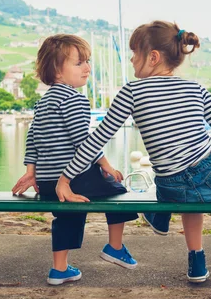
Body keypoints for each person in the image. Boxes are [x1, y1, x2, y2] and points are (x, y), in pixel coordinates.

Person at [56, 21, 211, 283]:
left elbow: (97, 140)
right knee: (207, 158)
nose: (130, 59)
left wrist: (65, 178)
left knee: (172, 176)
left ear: (152, 57)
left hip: (172, 185)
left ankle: (160, 214)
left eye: (135, 53)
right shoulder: (197, 89)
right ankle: (197, 260)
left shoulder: (131, 91)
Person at [11, 34, 138, 286]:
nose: (88, 68)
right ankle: (114, 246)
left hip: (48, 182)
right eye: (79, 63)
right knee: (119, 192)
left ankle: (59, 269)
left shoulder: (42, 102)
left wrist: (31, 171)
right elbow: (85, 142)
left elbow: (32, 140)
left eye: (87, 62)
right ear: (57, 70)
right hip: (73, 178)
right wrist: (107, 166)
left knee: (66, 215)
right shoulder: (74, 99)